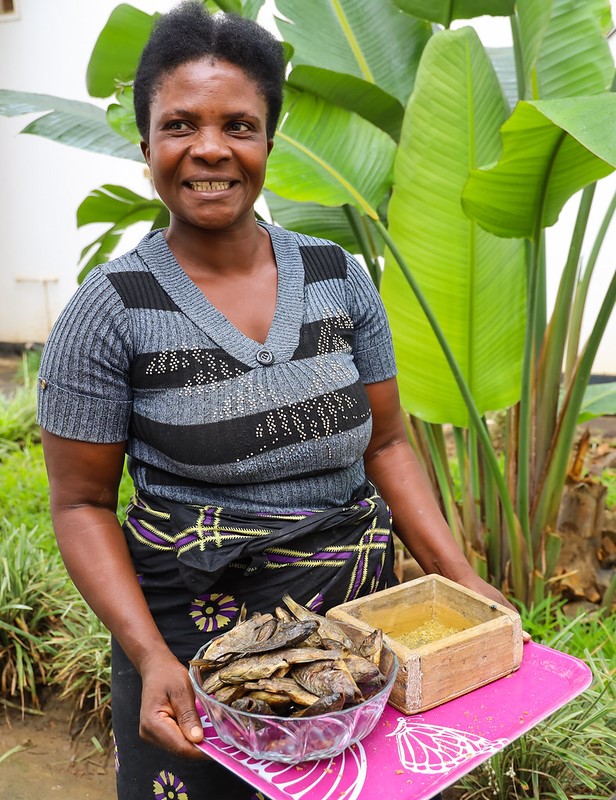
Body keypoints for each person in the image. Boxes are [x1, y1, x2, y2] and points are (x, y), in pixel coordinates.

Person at [37, 3, 519, 798]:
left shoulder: (336, 276)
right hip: (193, 642)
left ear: (269, 138)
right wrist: (153, 656)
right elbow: (81, 504)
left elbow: (388, 444)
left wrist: (459, 578)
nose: (210, 149)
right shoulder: (110, 308)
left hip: (355, 631)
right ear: (147, 139)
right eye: (180, 124)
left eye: (239, 124)